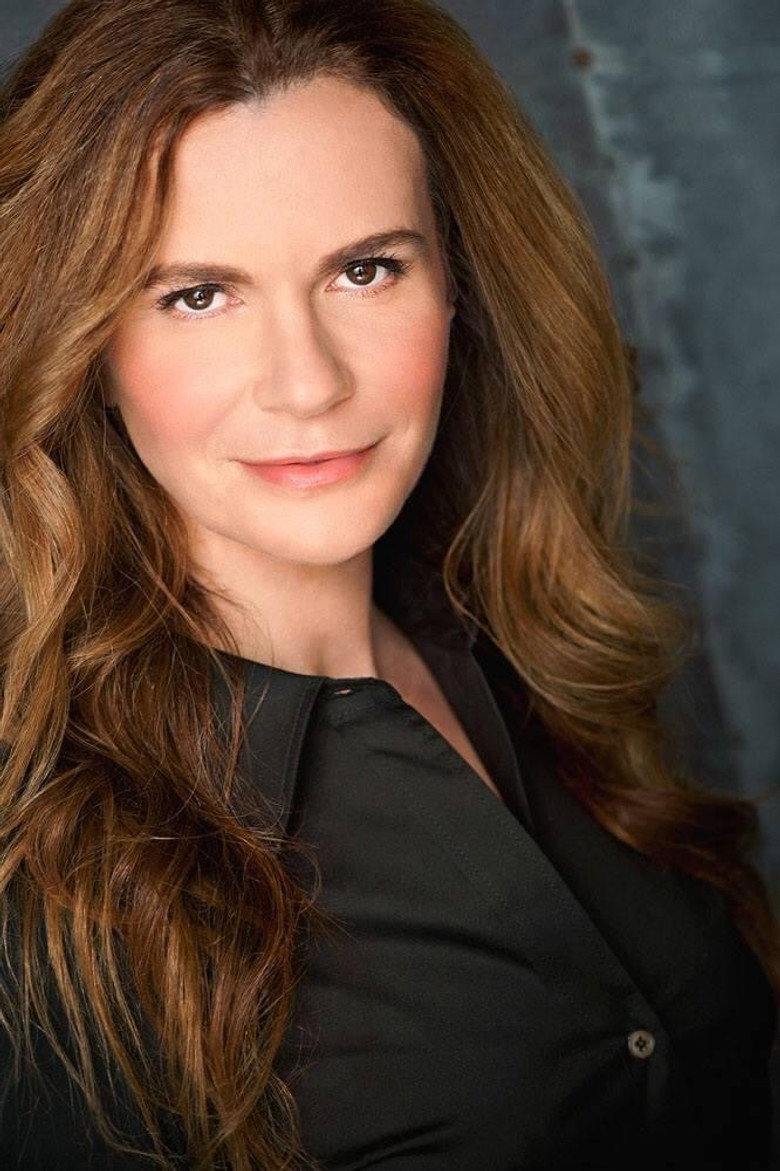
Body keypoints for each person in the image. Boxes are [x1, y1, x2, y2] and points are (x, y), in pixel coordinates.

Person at [0, 0, 777, 1167]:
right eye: (198, 294)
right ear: (89, 348)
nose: (307, 382)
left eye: (364, 270)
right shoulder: (45, 886)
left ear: (456, 286)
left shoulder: (528, 651)